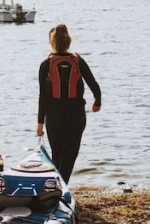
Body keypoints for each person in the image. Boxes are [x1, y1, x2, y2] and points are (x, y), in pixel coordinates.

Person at [36, 24, 101, 183]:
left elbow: (42, 96)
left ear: (52, 43)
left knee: (57, 153)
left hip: (53, 115)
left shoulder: (46, 64)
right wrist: (97, 102)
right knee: (70, 154)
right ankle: (60, 186)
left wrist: (40, 123)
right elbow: (94, 85)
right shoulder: (78, 61)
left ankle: (56, 186)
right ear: (69, 42)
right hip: (75, 114)